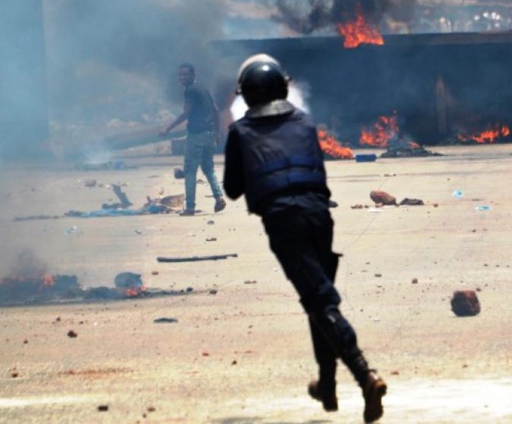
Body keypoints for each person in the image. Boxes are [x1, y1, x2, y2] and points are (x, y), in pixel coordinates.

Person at [223, 54, 387, 423]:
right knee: (317, 297)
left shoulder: (241, 133)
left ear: (247, 95)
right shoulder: (305, 123)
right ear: (283, 88)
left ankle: (365, 376)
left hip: (284, 222)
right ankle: (327, 385)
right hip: (319, 215)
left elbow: (232, 189)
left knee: (320, 300)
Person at [160, 63, 226, 216]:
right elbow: (216, 110)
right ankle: (219, 197)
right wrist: (217, 133)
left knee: (190, 170)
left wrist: (168, 128)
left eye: (185, 74)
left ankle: (190, 207)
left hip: (196, 136)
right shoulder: (203, 87)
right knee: (208, 169)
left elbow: (186, 113)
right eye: (180, 75)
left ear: (193, 74)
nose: (182, 78)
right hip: (209, 135)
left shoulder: (190, 90)